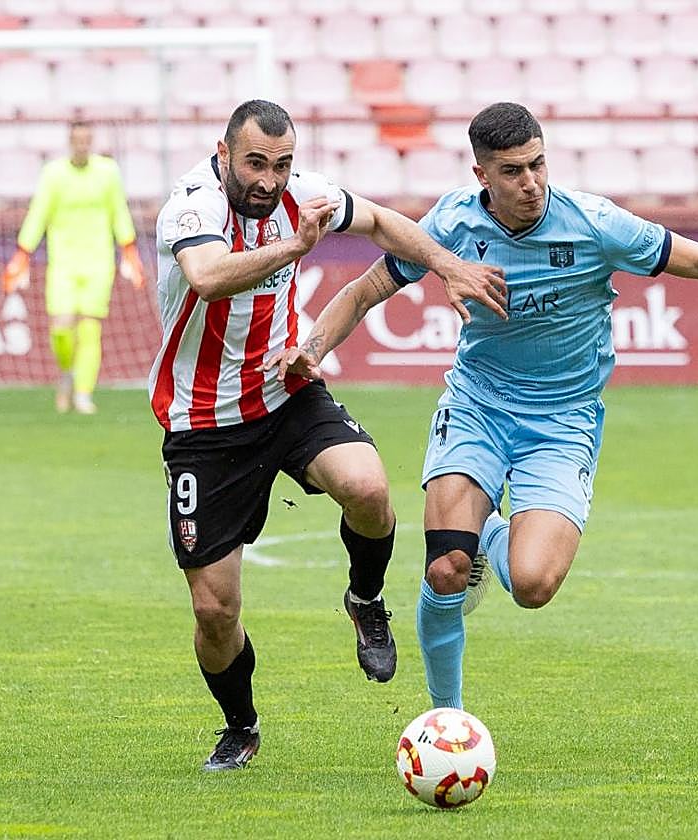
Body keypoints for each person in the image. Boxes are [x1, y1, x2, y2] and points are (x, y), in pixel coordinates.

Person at [264, 101, 698, 712]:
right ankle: (447, 722)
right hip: (478, 405)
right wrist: (311, 349)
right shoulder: (452, 225)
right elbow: (366, 290)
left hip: (564, 419)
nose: (530, 184)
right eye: (513, 172)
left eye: (538, 165)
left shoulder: (594, 223)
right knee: (445, 569)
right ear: (482, 177)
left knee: (533, 585)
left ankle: (486, 534)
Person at [151, 99, 506, 771]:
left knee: (369, 488)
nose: (269, 180)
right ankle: (241, 725)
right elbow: (206, 275)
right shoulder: (192, 206)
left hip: (287, 389)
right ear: (223, 154)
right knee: (215, 610)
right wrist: (292, 247)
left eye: (282, 165)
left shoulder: (304, 195)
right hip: (203, 426)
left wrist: (447, 264)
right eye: (255, 163)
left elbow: (379, 221)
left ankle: (365, 600)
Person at [1, 120, 146, 414]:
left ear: (90, 142)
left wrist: (129, 251)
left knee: (91, 330)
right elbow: (38, 213)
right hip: (63, 264)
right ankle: (67, 372)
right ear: (70, 141)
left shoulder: (107, 173)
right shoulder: (54, 174)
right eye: (77, 140)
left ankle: (82, 393)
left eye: (86, 140)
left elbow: (118, 211)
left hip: (98, 262)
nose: (81, 145)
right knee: (61, 330)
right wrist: (22, 255)